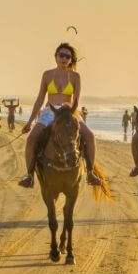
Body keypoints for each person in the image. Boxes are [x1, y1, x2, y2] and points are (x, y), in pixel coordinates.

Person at [18, 43, 100, 188]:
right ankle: (29, 175)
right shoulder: (47, 75)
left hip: (68, 112)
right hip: (50, 112)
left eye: (68, 56)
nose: (64, 58)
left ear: (71, 59)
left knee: (90, 136)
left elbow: (76, 99)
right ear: (55, 57)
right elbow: (40, 99)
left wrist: (72, 113)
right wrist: (30, 122)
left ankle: (90, 173)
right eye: (61, 55)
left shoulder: (75, 76)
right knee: (31, 139)